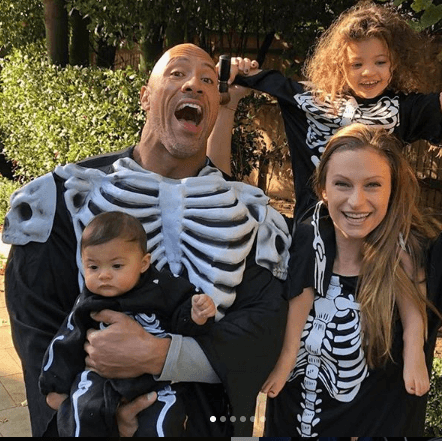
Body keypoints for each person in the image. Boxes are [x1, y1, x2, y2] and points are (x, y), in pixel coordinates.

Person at [3, 43, 290, 437]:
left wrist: (162, 356)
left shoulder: (253, 216)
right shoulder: (58, 201)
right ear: (145, 96)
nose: (194, 84)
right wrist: (96, 419)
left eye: (208, 79)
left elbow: (264, 330)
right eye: (177, 73)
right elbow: (39, 337)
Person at [264, 124, 442, 436]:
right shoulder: (296, 242)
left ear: (393, 189)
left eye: (373, 185)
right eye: (343, 184)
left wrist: (415, 347)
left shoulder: (414, 253)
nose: (356, 202)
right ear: (323, 189)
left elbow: (415, 306)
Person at [209, 1, 442, 222]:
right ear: (339, 64)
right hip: (313, 234)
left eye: (380, 62)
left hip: (377, 239)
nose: (369, 72)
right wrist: (235, 69)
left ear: (395, 62)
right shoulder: (306, 99)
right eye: (357, 64)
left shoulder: (406, 108)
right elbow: (228, 75)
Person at [39, 211, 216, 437]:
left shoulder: (164, 289)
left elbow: (184, 321)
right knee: (81, 411)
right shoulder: (89, 302)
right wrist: (54, 382)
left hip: (155, 382)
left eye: (116, 266)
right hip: (99, 379)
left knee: (163, 422)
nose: (104, 276)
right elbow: (66, 340)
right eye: (93, 267)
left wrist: (197, 315)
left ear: (143, 263)